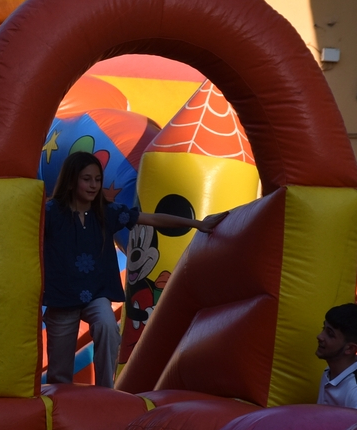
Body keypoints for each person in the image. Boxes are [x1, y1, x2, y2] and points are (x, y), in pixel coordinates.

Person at [43, 151, 225, 388]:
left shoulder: (105, 212)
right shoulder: (51, 213)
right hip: (62, 296)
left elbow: (153, 219)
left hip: (95, 293)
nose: (94, 185)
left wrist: (197, 224)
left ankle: (104, 389)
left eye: (97, 179)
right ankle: (60, 400)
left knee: (107, 325)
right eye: (87, 179)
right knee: (59, 374)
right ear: (71, 181)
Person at [315, 303, 357, 414]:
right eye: (324, 328)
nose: (320, 336)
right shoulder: (330, 372)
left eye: (330, 334)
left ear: (350, 348)